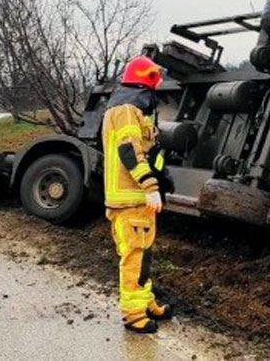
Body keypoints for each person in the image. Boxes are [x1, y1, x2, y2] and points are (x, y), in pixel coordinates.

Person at [102, 55, 173, 334]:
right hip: (130, 200)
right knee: (133, 258)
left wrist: (162, 180)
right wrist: (150, 187)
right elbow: (129, 151)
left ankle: (144, 302)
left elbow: (146, 152)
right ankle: (133, 314)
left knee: (143, 257)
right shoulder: (126, 110)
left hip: (138, 201)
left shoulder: (131, 110)